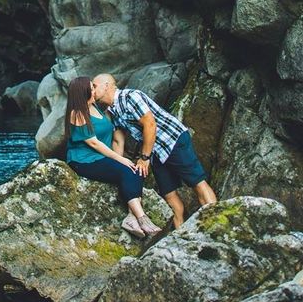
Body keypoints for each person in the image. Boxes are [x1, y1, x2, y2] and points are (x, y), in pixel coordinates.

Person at [92, 73, 217, 228]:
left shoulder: (131, 97)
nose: (92, 90)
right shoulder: (113, 111)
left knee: (197, 183)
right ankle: (182, 237)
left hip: (172, 140)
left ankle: (216, 225)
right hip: (155, 151)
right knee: (169, 195)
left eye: (94, 86)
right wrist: (117, 166)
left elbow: (150, 124)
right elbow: (118, 141)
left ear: (106, 85)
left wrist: (144, 158)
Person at [65, 76, 162, 237]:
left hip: (100, 157)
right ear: (83, 92)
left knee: (136, 169)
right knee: (126, 169)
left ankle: (131, 218)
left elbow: (115, 132)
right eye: (91, 88)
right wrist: (120, 158)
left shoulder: (96, 107)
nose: (95, 90)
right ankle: (142, 218)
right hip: (83, 160)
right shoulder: (77, 113)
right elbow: (94, 143)